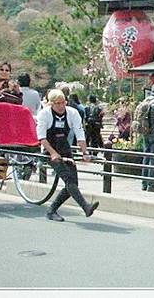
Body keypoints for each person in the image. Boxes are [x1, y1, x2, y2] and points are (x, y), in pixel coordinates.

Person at [36, 89, 99, 222]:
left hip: (65, 147)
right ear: (51, 104)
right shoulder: (44, 114)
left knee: (73, 183)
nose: (60, 106)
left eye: (63, 102)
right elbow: (41, 137)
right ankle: (86, 207)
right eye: (57, 103)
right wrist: (53, 153)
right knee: (69, 180)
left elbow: (79, 133)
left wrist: (85, 152)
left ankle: (51, 210)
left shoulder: (72, 113)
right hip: (49, 149)